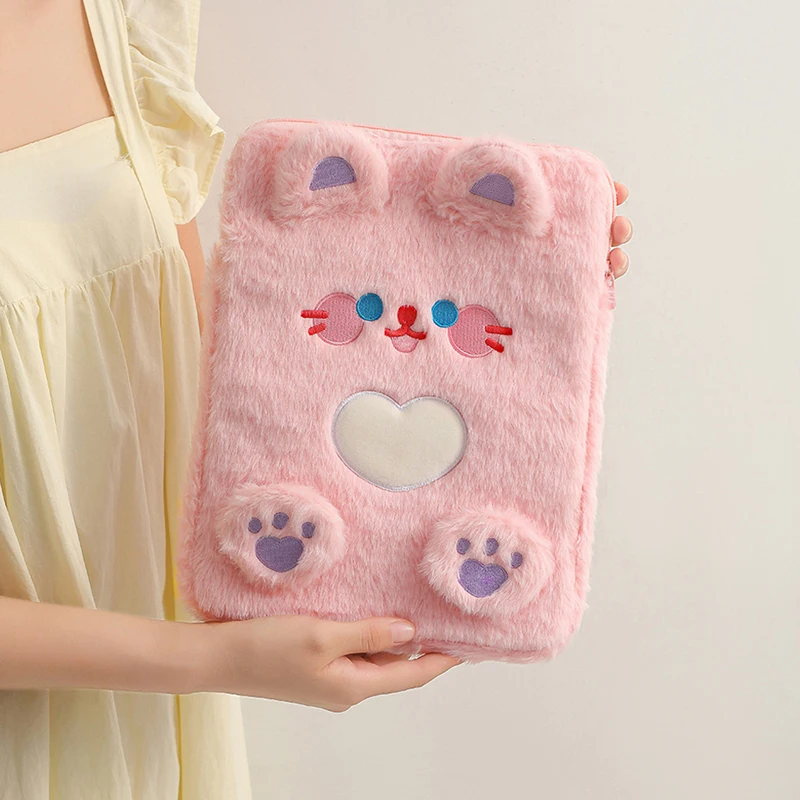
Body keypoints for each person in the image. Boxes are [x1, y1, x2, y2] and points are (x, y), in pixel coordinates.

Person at [0, 1, 633, 798]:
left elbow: (220, 358)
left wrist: (536, 293)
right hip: (112, 683)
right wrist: (206, 659)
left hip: (143, 696)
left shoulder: (127, 22)